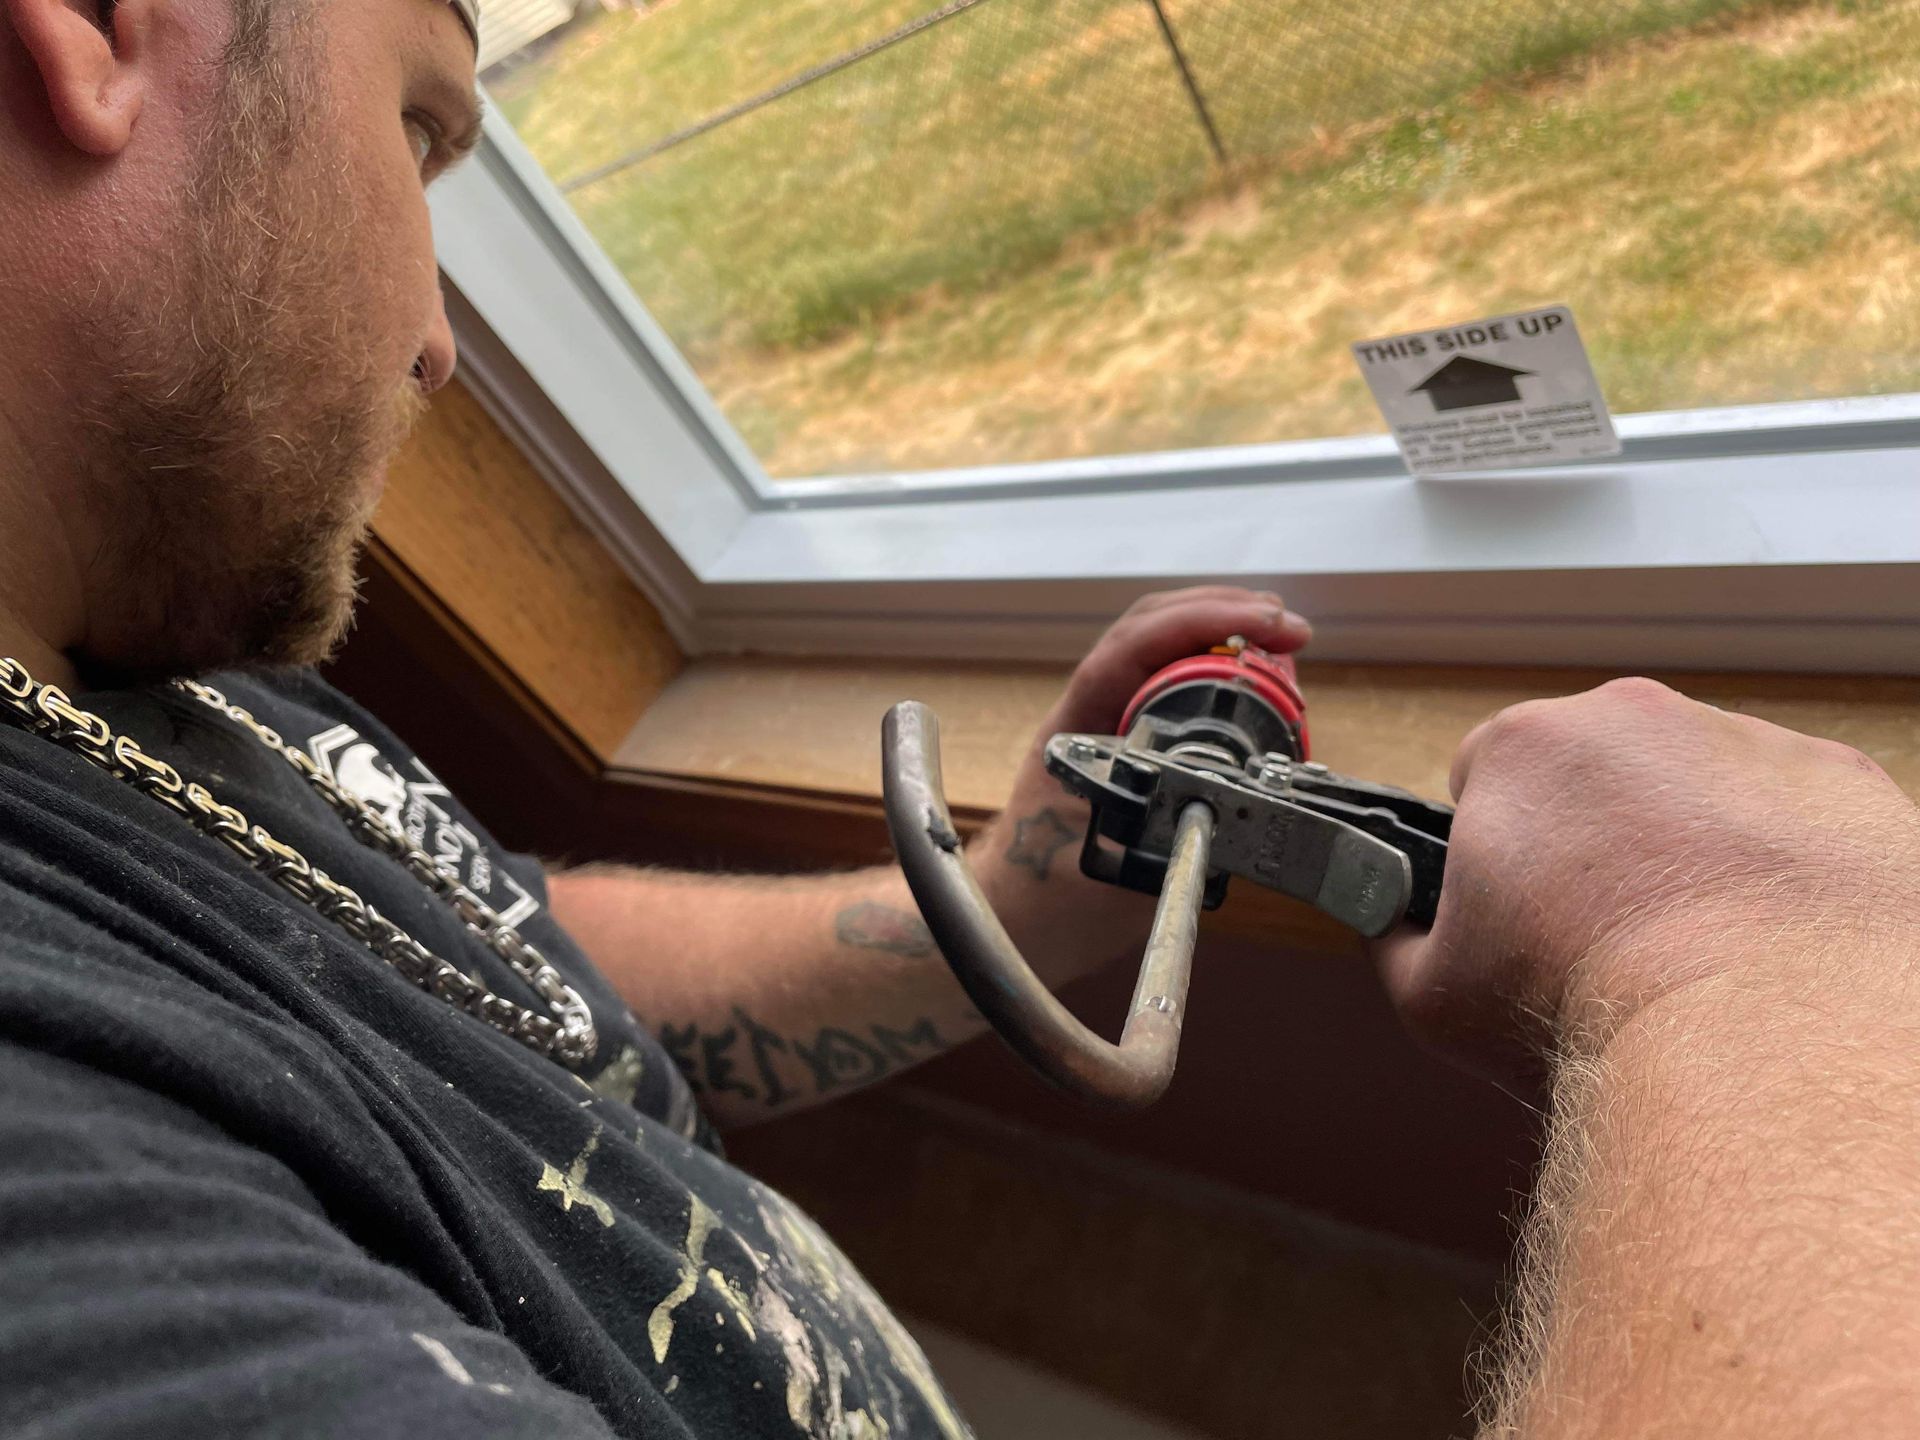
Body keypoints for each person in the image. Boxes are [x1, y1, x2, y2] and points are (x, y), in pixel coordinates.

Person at [0, 1, 1914, 1436]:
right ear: (91, 31)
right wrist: (1755, 955)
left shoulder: (126, 666)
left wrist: (1009, 907)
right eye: (419, 125)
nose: (436, 336)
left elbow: (480, 940)